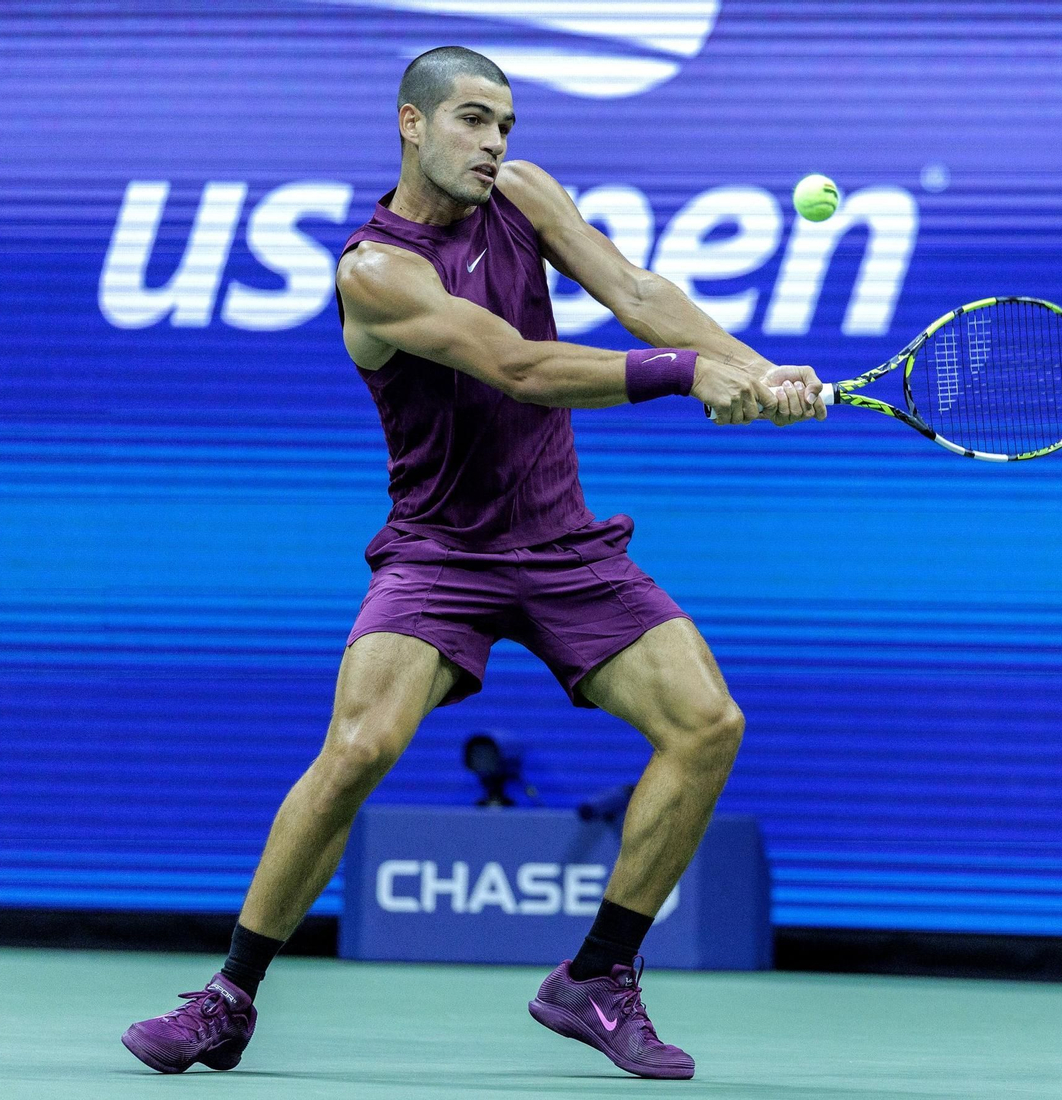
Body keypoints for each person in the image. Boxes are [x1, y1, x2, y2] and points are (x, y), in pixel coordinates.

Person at [121, 45, 825, 1082]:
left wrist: (756, 371)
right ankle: (228, 993)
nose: (495, 144)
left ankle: (596, 975)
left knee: (707, 723)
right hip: (439, 552)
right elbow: (519, 365)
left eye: (505, 125)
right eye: (473, 121)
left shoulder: (527, 195)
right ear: (411, 124)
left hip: (559, 539)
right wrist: (688, 374)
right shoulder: (374, 270)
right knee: (359, 746)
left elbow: (633, 288)